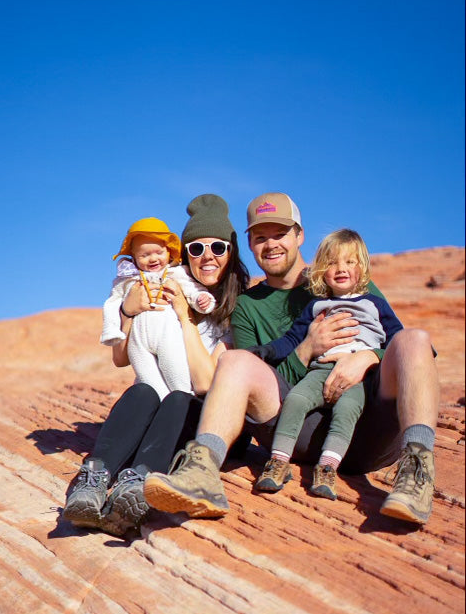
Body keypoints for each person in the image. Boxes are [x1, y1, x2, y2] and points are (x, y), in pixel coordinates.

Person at [144, 192, 438, 525]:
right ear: (250, 245)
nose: (270, 245)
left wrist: (369, 356)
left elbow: (396, 342)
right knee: (235, 361)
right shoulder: (248, 307)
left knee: (415, 339)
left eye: (280, 234)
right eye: (260, 237)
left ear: (299, 235)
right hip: (297, 433)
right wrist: (304, 351)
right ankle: (201, 472)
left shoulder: (340, 276)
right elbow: (257, 381)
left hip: (368, 431)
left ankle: (417, 471)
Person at [62, 194, 250, 537]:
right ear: (184, 253)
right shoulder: (167, 280)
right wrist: (129, 313)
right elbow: (120, 358)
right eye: (196, 249)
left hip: (196, 411)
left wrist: (185, 318)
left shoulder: (236, 311)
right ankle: (92, 480)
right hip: (156, 401)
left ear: (231, 251)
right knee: (142, 392)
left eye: (218, 248)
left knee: (179, 398)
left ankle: (137, 483)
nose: (207, 257)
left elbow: (204, 382)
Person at [251, 228, 404, 501]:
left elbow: (398, 343)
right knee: (296, 398)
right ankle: (278, 461)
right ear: (321, 270)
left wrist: (373, 357)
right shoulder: (317, 307)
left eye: (350, 262)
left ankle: (328, 468)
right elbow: (291, 340)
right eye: (332, 263)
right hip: (320, 371)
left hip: (360, 379)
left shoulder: (375, 305)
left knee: (346, 409)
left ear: (363, 267)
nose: (341, 268)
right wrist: (265, 351)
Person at [100, 217, 216, 400]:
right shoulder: (127, 281)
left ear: (169, 252)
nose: (153, 259)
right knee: (149, 384)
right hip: (137, 341)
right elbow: (112, 303)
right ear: (134, 258)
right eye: (144, 255)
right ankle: (161, 407)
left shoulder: (175, 273)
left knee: (177, 376)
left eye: (158, 252)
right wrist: (114, 324)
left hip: (167, 334)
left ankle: (184, 404)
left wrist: (202, 299)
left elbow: (192, 289)